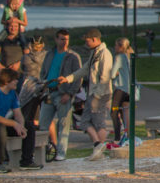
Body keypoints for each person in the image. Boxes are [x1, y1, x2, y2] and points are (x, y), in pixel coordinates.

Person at [58, 29, 113, 160]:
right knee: (84, 122)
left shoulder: (105, 54)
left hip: (100, 94)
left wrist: (97, 96)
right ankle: (97, 146)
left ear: (95, 39)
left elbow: (105, 77)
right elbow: (84, 70)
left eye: (87, 41)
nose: (86, 44)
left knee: (98, 122)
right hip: (92, 93)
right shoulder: (94, 53)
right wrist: (68, 78)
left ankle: (99, 149)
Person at [38, 29, 82, 161]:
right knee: (43, 124)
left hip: (63, 93)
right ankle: (43, 151)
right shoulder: (50, 54)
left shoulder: (73, 56)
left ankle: (61, 152)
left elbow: (77, 77)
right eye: (62, 39)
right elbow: (43, 71)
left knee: (63, 124)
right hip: (49, 92)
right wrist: (43, 85)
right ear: (56, 39)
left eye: (67, 39)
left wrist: (69, 93)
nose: (65, 42)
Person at [14, 35, 46, 169]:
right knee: (41, 117)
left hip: (28, 87)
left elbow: (20, 71)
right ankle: (52, 145)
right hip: (43, 85)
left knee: (28, 116)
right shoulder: (46, 56)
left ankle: (30, 154)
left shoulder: (26, 57)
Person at [110, 37, 134, 142]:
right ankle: (128, 136)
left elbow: (112, 74)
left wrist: (116, 73)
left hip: (121, 88)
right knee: (126, 113)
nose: (114, 48)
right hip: (129, 90)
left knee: (114, 112)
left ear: (120, 47)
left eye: (116, 45)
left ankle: (117, 137)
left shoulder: (119, 57)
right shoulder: (129, 56)